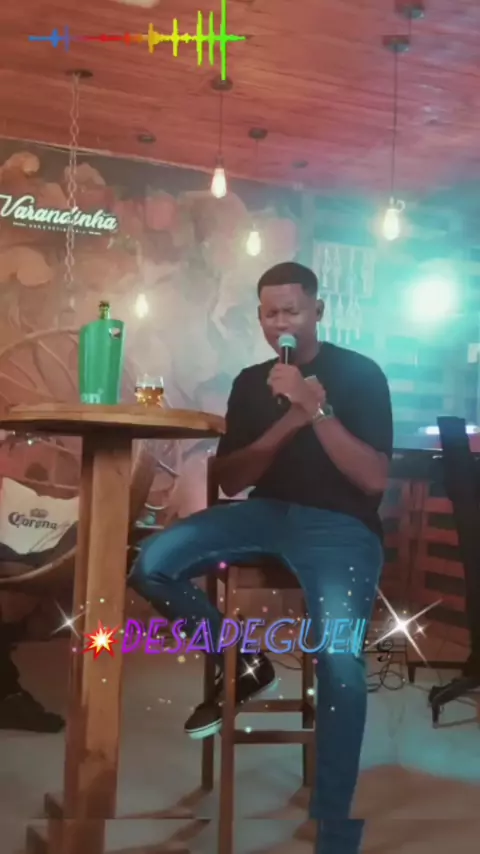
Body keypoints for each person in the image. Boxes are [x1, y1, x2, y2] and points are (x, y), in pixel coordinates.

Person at [129, 259, 393, 854]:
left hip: (340, 526)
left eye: (292, 311)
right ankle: (245, 659)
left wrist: (317, 409)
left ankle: (333, 823)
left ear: (317, 311)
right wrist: (287, 422)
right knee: (153, 564)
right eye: (270, 314)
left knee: (340, 660)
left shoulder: (360, 373)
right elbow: (230, 481)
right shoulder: (251, 382)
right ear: (259, 318)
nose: (281, 325)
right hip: (264, 512)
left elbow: (374, 480)